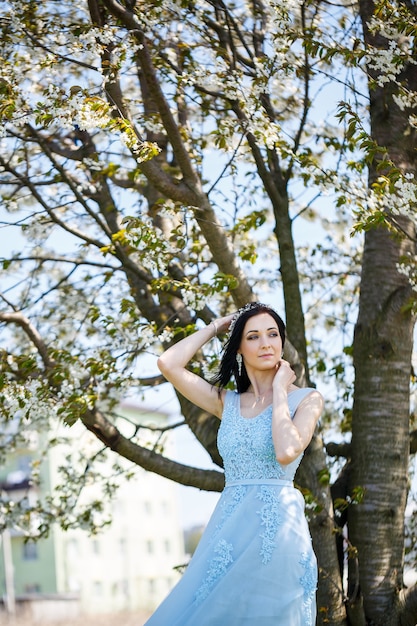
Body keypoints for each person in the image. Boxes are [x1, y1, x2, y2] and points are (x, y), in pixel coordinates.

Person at [145, 302, 323, 626]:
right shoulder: (226, 401)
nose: (266, 343)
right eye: (253, 336)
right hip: (228, 534)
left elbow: (286, 451)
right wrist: (218, 326)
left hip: (278, 537)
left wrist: (281, 391)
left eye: (272, 334)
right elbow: (167, 363)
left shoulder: (307, 399)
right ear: (239, 346)